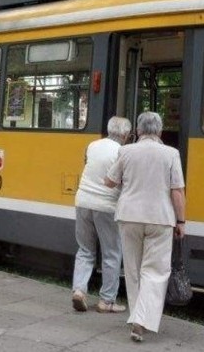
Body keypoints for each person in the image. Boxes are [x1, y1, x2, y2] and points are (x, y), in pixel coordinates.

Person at [105, 111, 185, 343]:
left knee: (132, 269)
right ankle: (142, 320)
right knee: (156, 271)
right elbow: (177, 191)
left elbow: (110, 181)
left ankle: (136, 317)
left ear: (138, 130)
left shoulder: (126, 150)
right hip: (160, 218)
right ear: (159, 131)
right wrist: (181, 221)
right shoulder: (171, 153)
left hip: (129, 216)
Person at [71, 116, 132, 313]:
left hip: (83, 201)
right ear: (125, 135)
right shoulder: (122, 152)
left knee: (85, 250)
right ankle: (106, 301)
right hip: (107, 206)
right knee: (111, 254)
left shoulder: (92, 145)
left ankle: (79, 291)